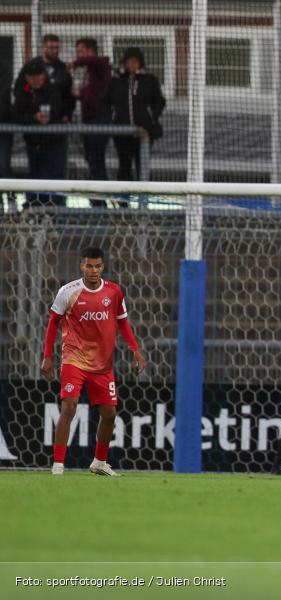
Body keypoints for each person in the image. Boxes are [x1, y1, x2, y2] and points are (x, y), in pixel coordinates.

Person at [41, 247, 147, 476]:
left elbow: (123, 322)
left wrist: (136, 350)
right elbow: (53, 323)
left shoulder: (114, 292)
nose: (93, 270)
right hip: (74, 360)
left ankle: (99, 462)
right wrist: (47, 356)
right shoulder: (68, 292)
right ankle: (58, 465)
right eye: (89, 266)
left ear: (103, 267)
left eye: (97, 266)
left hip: (102, 365)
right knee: (69, 407)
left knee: (109, 414)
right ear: (82, 266)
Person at [15, 34, 75, 176]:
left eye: (56, 47)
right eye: (51, 47)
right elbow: (21, 91)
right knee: (36, 170)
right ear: (43, 47)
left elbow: (69, 96)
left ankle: (57, 199)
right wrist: (32, 115)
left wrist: (67, 114)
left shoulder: (62, 69)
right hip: (34, 131)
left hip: (56, 127)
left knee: (57, 169)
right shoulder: (31, 66)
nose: (54, 50)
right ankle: (35, 198)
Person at [105, 47, 165, 182]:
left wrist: (152, 117)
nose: (132, 65)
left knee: (142, 166)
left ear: (140, 63)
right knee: (124, 167)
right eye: (129, 61)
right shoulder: (117, 80)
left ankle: (143, 200)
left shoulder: (149, 79)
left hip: (144, 132)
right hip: (122, 132)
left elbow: (160, 102)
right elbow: (106, 101)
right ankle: (123, 202)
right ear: (124, 63)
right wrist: (112, 118)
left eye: (135, 62)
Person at [14, 61, 65, 207]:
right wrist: (33, 117)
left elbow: (58, 110)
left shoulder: (52, 89)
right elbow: (17, 114)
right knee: (34, 174)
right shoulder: (24, 90)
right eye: (31, 77)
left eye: (38, 76)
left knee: (53, 175)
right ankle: (33, 207)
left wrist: (48, 118)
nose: (35, 80)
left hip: (53, 143)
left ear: (43, 76)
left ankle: (55, 208)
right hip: (33, 143)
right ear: (27, 78)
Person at [70, 37, 112, 193]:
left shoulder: (101, 65)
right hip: (88, 120)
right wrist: (78, 94)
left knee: (96, 160)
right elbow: (90, 92)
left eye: (81, 51)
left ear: (90, 51)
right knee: (91, 160)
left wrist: (74, 64)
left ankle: (103, 198)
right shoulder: (89, 73)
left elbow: (94, 61)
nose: (79, 55)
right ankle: (98, 200)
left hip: (99, 119)